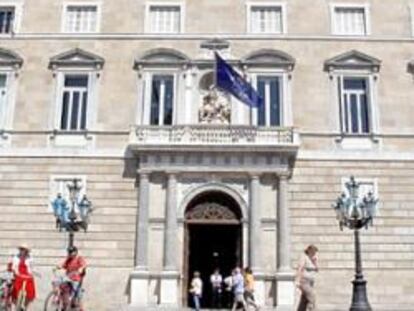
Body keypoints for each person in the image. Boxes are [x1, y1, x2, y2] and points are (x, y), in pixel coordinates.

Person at [57, 246, 87, 311]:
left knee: (77, 294)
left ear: (75, 252)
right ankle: (63, 305)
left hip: (77, 278)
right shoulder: (68, 259)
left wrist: (81, 268)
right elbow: (63, 265)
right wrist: (58, 267)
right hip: (68, 278)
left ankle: (80, 308)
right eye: (69, 252)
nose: (70, 254)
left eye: (71, 252)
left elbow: (84, 264)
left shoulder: (79, 258)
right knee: (61, 286)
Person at [11, 244, 36, 310]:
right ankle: (17, 305)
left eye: (23, 249)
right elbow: (14, 266)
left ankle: (25, 306)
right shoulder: (16, 257)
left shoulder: (30, 258)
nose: (22, 251)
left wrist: (34, 273)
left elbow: (32, 268)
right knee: (16, 291)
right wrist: (15, 272)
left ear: (26, 251)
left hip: (27, 275)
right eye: (21, 249)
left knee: (29, 292)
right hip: (19, 275)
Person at [296, 244, 319, 311]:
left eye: (315, 251)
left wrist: (315, 262)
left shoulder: (313, 259)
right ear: (309, 251)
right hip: (304, 281)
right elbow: (300, 269)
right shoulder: (304, 257)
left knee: (304, 301)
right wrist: (297, 281)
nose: (314, 253)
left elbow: (317, 269)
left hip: (311, 283)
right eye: (313, 251)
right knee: (312, 298)